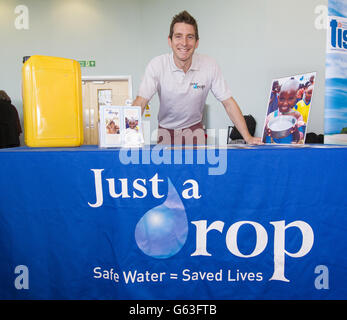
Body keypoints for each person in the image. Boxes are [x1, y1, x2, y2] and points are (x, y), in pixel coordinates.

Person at [132, 10, 262, 145]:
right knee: (166, 166)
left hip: (195, 130)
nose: (184, 42)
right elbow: (140, 102)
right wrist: (127, 136)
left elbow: (228, 103)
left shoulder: (209, 65)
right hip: (166, 132)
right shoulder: (157, 65)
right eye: (178, 36)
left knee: (198, 166)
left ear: (197, 42)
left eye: (190, 37)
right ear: (170, 41)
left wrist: (248, 137)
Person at [263, 78, 305, 144]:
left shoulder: (297, 116)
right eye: (282, 99)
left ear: (295, 99)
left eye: (290, 99)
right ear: (278, 98)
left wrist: (295, 130)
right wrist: (266, 131)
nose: (285, 103)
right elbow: (265, 140)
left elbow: (300, 138)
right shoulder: (270, 117)